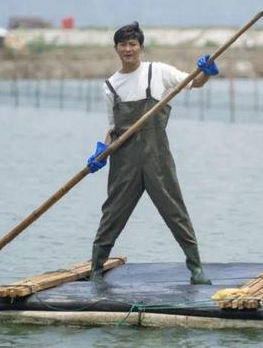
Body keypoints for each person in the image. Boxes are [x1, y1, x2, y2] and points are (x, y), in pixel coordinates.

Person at [86, 21, 219, 285]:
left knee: (175, 210)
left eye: (132, 44)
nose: (128, 49)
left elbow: (195, 82)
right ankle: (96, 269)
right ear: (116, 48)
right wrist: (100, 153)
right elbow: (112, 130)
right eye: (123, 44)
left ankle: (195, 267)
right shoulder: (111, 86)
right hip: (124, 160)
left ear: (140, 47)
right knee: (113, 213)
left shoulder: (157, 72)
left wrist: (206, 72)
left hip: (157, 157)